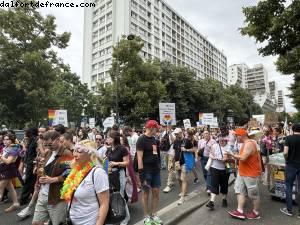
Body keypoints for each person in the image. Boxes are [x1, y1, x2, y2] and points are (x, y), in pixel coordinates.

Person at [61, 140, 110, 225]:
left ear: (90, 154)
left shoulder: (98, 173)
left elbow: (104, 204)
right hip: (72, 221)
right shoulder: (75, 170)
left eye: (79, 151)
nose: (75, 154)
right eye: (74, 151)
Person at [32, 130, 73, 225]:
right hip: (43, 194)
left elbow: (71, 173)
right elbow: (43, 171)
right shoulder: (48, 153)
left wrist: (53, 179)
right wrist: (39, 168)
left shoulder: (66, 154)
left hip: (57, 197)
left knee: (58, 223)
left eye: (50, 144)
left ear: (58, 140)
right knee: (36, 223)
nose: (48, 147)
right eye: (45, 145)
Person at [228, 128, 262, 220]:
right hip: (242, 172)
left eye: (236, 136)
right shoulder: (245, 144)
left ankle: (256, 213)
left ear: (241, 136)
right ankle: (240, 211)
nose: (235, 138)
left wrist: (232, 154)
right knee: (239, 190)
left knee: (253, 195)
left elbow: (243, 158)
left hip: (250, 174)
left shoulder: (249, 144)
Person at [137, 120, 162, 225]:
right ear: (151, 128)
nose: (157, 130)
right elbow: (139, 157)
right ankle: (146, 216)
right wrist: (141, 175)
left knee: (156, 192)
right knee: (146, 193)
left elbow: (155, 153)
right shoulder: (141, 139)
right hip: (146, 171)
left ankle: (154, 215)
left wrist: (159, 166)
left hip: (155, 170)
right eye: (156, 128)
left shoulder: (154, 139)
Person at [106, 131, 130, 225]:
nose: (107, 139)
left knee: (120, 195)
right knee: (112, 196)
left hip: (120, 174)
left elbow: (127, 162)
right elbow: (107, 161)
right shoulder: (108, 149)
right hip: (110, 174)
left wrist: (116, 163)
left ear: (114, 139)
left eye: (109, 138)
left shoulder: (122, 148)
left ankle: (125, 218)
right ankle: (116, 215)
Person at [280, 123, 300, 218]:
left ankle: (289, 210)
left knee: (288, 186)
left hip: (291, 165)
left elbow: (285, 152)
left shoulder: (288, 138)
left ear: (292, 129)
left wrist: (286, 159)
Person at [206, 135, 230, 210]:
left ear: (226, 140)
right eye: (220, 141)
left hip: (225, 169)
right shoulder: (215, 145)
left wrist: (225, 159)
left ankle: (224, 199)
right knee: (214, 184)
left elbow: (230, 157)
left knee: (224, 184)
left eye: (223, 141)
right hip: (214, 167)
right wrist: (212, 156)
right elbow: (210, 153)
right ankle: (211, 202)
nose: (221, 142)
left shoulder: (229, 147)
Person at [0, 133, 21, 212]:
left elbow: (8, 161)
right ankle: (15, 203)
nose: (4, 141)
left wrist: (0, 157)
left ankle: (15, 203)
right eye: (4, 139)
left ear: (11, 140)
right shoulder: (7, 147)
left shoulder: (14, 148)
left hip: (8, 169)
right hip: (4, 168)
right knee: (9, 186)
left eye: (7, 139)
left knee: (1, 188)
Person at [176, 128, 197, 205]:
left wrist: (186, 150)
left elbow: (194, 150)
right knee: (179, 178)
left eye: (189, 134)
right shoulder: (183, 140)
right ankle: (183, 192)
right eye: (187, 133)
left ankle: (182, 197)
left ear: (191, 134)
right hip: (180, 161)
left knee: (183, 179)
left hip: (187, 161)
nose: (187, 135)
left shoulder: (193, 141)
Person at [20, 128, 38, 206]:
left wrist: (34, 164)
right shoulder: (30, 140)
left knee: (28, 181)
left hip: (32, 164)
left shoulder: (35, 141)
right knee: (31, 181)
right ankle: (30, 197)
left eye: (25, 133)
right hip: (29, 163)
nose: (24, 135)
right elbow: (28, 153)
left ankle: (23, 199)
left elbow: (36, 154)